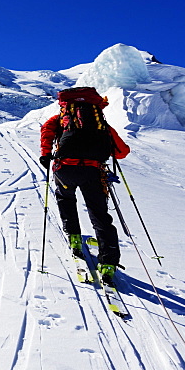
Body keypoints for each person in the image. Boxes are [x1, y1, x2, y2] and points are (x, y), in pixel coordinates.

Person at [39, 87, 130, 285]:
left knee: (66, 199)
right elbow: (122, 152)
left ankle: (73, 236)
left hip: (65, 169)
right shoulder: (100, 124)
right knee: (99, 214)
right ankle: (108, 263)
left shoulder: (61, 119)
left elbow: (46, 131)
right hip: (93, 172)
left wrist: (46, 154)